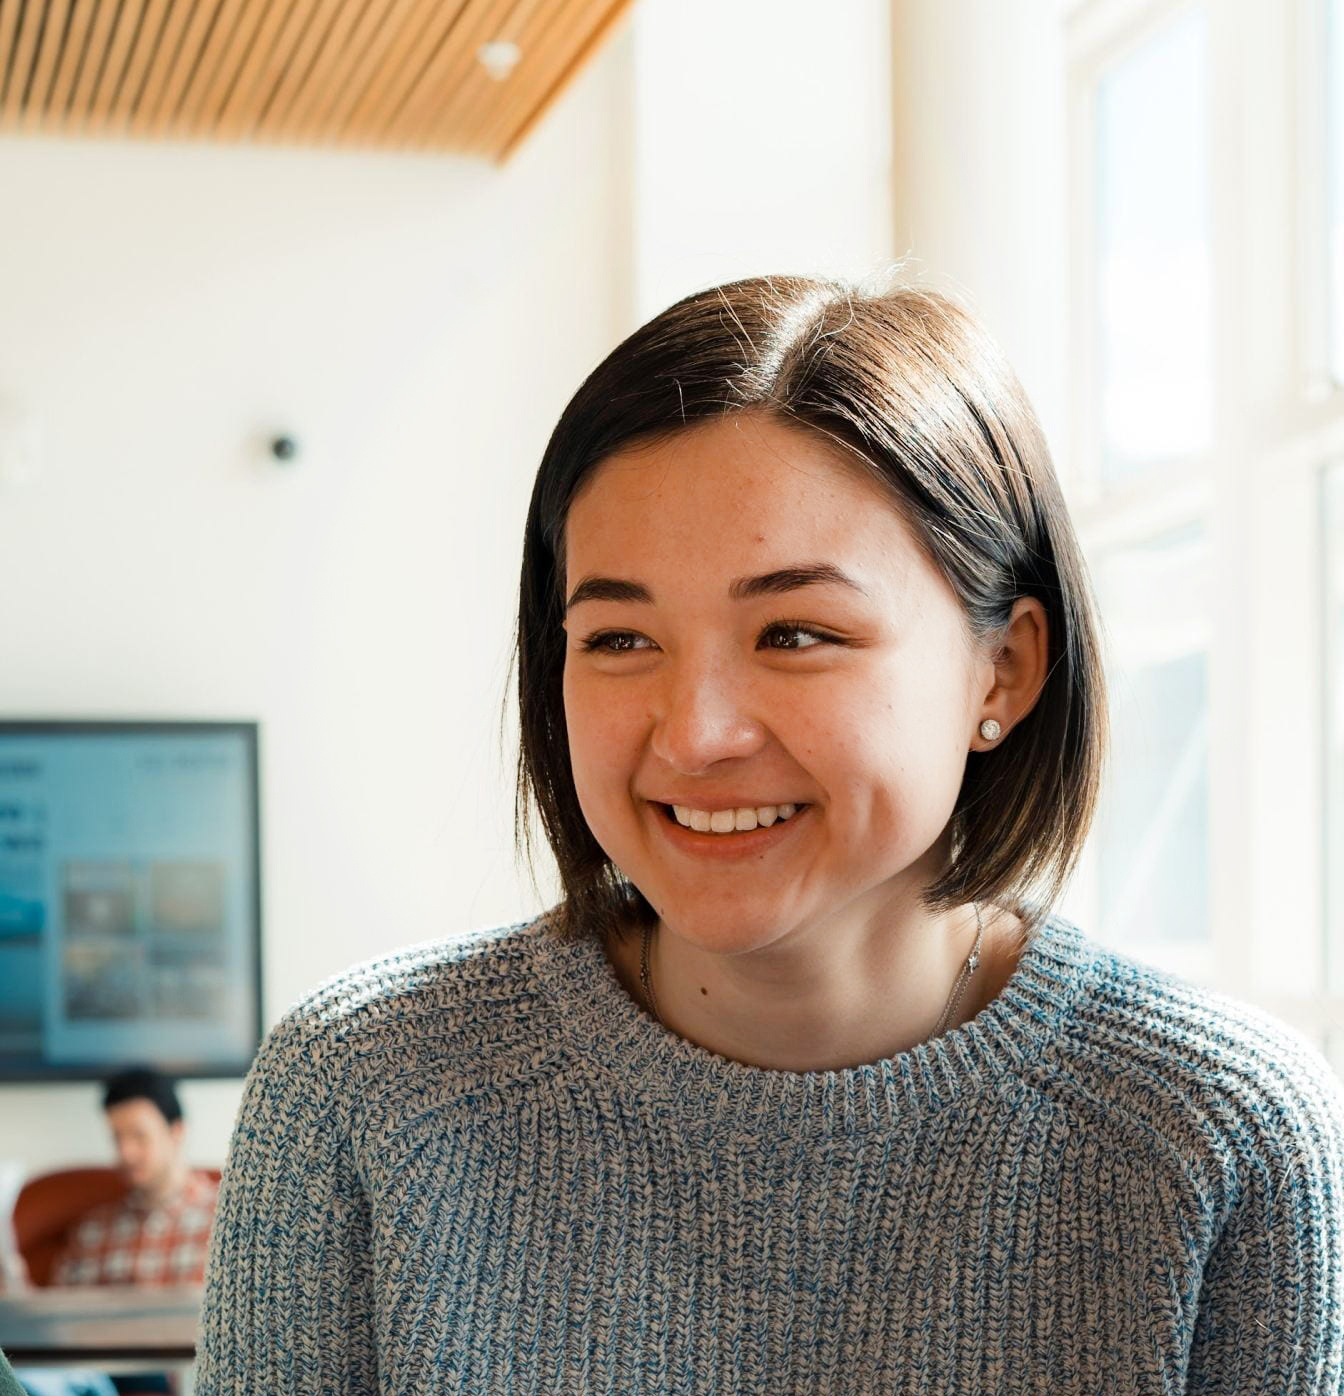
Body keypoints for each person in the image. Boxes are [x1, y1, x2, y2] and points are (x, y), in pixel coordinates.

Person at [196, 273, 1344, 1393]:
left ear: (1004, 667)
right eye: (617, 639)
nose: (693, 734)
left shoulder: (1220, 1139)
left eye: (795, 633)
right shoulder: (362, 1094)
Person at [49, 1068, 217, 1288]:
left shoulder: (230, 1222)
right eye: (117, 1138)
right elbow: (55, 1316)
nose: (125, 1153)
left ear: (177, 1132)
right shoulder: (92, 1232)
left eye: (139, 1136)